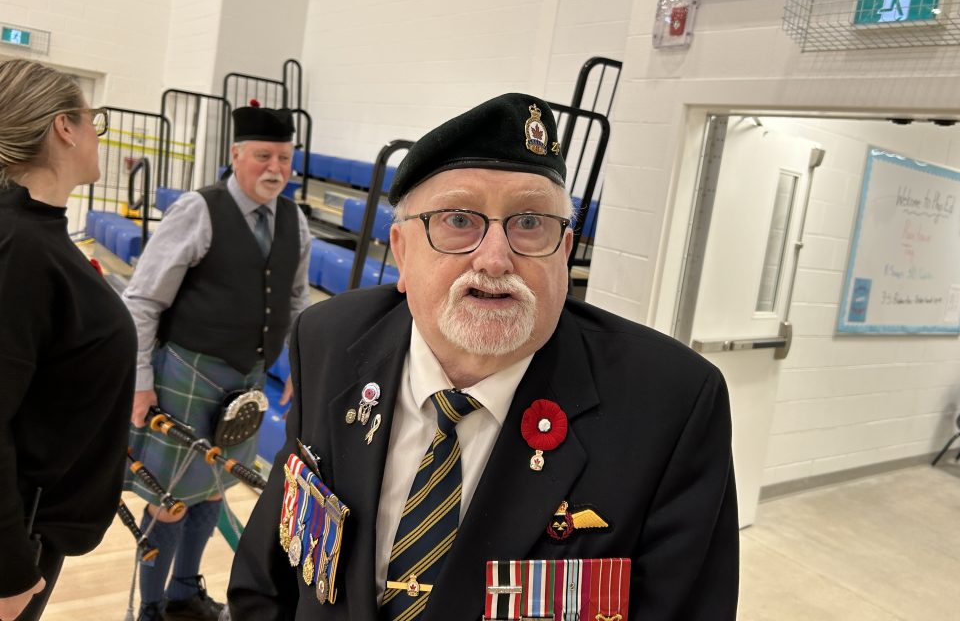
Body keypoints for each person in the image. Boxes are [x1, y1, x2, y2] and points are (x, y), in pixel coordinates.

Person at [228, 93, 739, 620]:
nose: (495, 260)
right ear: (401, 251)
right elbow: (269, 574)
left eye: (530, 224)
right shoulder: (329, 339)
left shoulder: (670, 404)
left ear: (564, 253)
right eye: (458, 220)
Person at [122, 102, 311, 621]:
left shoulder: (295, 220)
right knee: (169, 501)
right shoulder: (197, 209)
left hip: (245, 385)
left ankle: (184, 597)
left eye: (285, 157)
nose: (275, 168)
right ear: (235, 155)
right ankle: (152, 609)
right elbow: (142, 300)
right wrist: (139, 382)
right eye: (263, 156)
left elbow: (295, 303)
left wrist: (297, 363)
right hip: (185, 374)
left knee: (210, 495)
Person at [0, 59, 137, 621]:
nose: (96, 135)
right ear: (64, 126)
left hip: (37, 525)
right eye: (94, 120)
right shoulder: (22, 250)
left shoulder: (37, 236)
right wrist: (8, 569)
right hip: (20, 534)